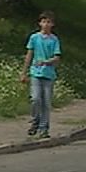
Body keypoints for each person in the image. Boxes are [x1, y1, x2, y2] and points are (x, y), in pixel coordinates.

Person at [21, 11, 61, 139]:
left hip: (48, 74)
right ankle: (35, 120)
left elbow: (57, 57)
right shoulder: (34, 38)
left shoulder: (54, 39)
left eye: (48, 22)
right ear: (40, 23)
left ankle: (44, 128)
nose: (46, 24)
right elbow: (29, 54)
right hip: (35, 72)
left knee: (46, 102)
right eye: (44, 21)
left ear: (52, 24)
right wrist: (24, 72)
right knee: (35, 98)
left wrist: (46, 61)